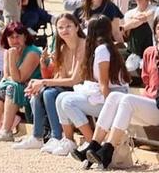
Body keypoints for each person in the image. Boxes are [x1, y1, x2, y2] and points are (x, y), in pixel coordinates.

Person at [73, 14, 159, 169]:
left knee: (127, 100)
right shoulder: (150, 52)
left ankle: (107, 150)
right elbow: (146, 81)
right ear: (155, 31)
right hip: (150, 105)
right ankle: (94, 146)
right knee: (116, 96)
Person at [50, 15, 123, 157]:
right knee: (61, 98)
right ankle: (69, 140)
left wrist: (111, 110)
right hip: (107, 95)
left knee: (68, 102)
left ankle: (93, 143)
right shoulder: (102, 48)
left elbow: (104, 84)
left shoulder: (102, 49)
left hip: (112, 97)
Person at [18, 12, 86, 152]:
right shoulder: (62, 48)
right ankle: (37, 137)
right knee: (40, 92)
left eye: (68, 26)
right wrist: (40, 82)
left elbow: (75, 80)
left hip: (83, 88)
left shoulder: (83, 46)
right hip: (69, 87)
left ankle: (57, 136)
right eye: (60, 27)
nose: (64, 30)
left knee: (48, 93)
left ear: (77, 27)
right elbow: (59, 78)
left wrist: (43, 82)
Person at [0, 22, 43, 142]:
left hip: (32, 87)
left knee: (11, 87)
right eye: (11, 37)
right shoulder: (9, 51)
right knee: (2, 87)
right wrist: (10, 57)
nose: (15, 40)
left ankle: (6, 131)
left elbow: (19, 78)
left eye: (18, 36)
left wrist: (12, 58)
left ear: (25, 37)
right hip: (18, 84)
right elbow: (7, 76)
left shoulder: (32, 52)